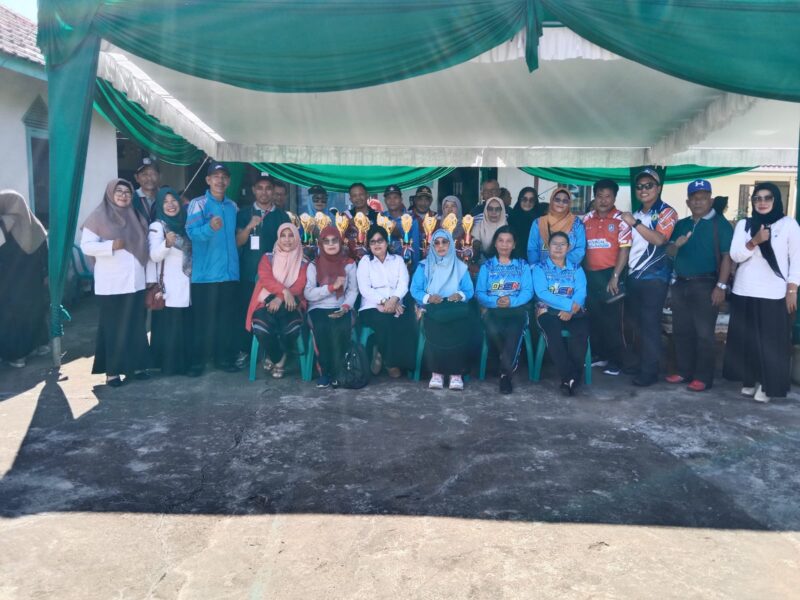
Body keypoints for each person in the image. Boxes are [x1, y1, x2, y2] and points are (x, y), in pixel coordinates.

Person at [723, 183, 800, 403]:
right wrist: (755, 241)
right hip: (744, 290)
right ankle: (749, 380)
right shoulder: (745, 225)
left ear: (776, 200)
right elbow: (736, 255)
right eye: (757, 198)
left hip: (773, 293)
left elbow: (797, 258)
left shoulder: (788, 224)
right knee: (747, 340)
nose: (762, 202)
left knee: (770, 343)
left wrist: (792, 288)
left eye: (767, 198)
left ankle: (768, 386)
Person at [665, 179, 733, 391]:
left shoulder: (720, 224)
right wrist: (676, 245)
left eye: (703, 198)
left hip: (706, 283)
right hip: (680, 283)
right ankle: (684, 371)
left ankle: (703, 377)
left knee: (704, 334)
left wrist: (721, 286)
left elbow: (727, 257)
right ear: (688, 201)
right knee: (681, 330)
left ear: (710, 200)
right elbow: (669, 252)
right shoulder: (681, 224)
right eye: (694, 199)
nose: (698, 202)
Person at [80, 179, 150, 386]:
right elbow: (86, 246)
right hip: (111, 284)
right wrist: (110, 246)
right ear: (110, 193)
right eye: (118, 191)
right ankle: (113, 372)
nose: (123, 195)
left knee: (136, 326)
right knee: (113, 328)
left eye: (127, 192)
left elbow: (145, 245)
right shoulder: (98, 216)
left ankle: (137, 367)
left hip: (135, 282)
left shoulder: (136, 216)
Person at [620, 168, 678, 386]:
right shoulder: (635, 214)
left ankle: (650, 371)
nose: (643, 190)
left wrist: (634, 223)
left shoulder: (666, 212)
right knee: (635, 325)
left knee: (650, 325)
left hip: (655, 278)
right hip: (634, 276)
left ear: (658, 188)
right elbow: (627, 247)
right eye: (639, 187)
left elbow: (660, 239)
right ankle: (639, 364)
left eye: (648, 185)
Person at [186, 161, 241, 374]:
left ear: (229, 181)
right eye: (216, 177)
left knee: (226, 321)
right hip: (205, 275)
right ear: (208, 180)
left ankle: (223, 359)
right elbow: (192, 233)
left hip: (229, 274)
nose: (220, 180)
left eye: (224, 177)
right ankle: (197, 362)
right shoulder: (198, 204)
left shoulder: (232, 206)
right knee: (202, 322)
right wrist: (209, 228)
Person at [235, 173, 290, 366]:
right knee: (246, 313)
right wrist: (250, 226)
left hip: (274, 277)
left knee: (271, 314)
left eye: (268, 188)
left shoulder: (282, 216)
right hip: (249, 273)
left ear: (273, 191)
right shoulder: (243, 214)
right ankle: (245, 351)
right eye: (260, 188)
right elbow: (238, 242)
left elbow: (288, 246)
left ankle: (270, 353)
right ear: (253, 190)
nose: (264, 192)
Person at [411, 229, 474, 390]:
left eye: (444, 242)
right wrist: (428, 297)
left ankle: (456, 374)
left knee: (459, 326)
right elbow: (415, 289)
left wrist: (459, 295)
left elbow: (469, 290)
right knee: (435, 325)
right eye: (436, 243)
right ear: (432, 246)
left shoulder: (460, 267)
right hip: (432, 307)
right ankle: (437, 373)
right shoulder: (424, 266)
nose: (441, 246)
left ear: (451, 244)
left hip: (454, 309)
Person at [582, 179, 631, 376]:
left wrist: (615, 276)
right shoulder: (585, 219)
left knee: (613, 321)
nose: (603, 200)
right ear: (594, 197)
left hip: (611, 275)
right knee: (595, 318)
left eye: (608, 196)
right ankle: (600, 355)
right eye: (599, 196)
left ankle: (616, 361)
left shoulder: (621, 220)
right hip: (590, 276)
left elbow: (624, 250)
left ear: (614, 198)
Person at [475, 226, 534, 394]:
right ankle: (499, 363)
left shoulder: (522, 265)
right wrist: (495, 301)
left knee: (514, 329)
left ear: (514, 245)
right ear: (495, 243)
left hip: (516, 309)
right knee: (494, 328)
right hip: (493, 309)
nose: (504, 244)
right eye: (500, 240)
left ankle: (504, 375)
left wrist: (511, 301)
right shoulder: (487, 266)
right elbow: (479, 293)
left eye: (509, 241)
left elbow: (528, 291)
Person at [246, 223, 308, 378]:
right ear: (278, 238)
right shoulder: (268, 258)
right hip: (265, 301)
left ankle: (274, 358)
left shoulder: (303, 262)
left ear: (297, 237)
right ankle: (279, 358)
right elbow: (265, 278)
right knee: (261, 329)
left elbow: (300, 285)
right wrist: (284, 291)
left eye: (291, 235)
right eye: (283, 235)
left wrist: (280, 299)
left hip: (291, 304)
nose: (287, 239)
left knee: (291, 330)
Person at [532, 231, 588, 396]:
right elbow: (542, 293)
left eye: (562, 244)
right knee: (553, 334)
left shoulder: (576, 268)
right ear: (548, 247)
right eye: (554, 244)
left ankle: (573, 377)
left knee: (581, 333)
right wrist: (568, 305)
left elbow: (581, 292)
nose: (558, 247)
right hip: (548, 312)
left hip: (574, 311)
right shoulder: (540, 268)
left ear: (568, 247)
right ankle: (567, 377)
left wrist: (571, 309)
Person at [356, 224, 415, 378]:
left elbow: (403, 283)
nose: (377, 244)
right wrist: (384, 302)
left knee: (407, 320)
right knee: (385, 321)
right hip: (371, 306)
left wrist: (394, 300)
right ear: (368, 245)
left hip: (396, 303)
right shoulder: (365, 262)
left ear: (386, 242)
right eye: (372, 241)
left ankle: (399, 360)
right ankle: (390, 363)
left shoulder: (397, 260)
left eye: (380, 240)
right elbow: (364, 289)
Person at [148, 186, 194, 376]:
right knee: (171, 326)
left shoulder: (185, 223)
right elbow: (153, 255)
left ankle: (184, 365)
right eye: (165, 202)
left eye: (173, 200)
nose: (171, 205)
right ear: (160, 205)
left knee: (184, 325)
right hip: (170, 286)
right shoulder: (157, 226)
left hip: (187, 283)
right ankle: (169, 366)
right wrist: (166, 244)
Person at [304, 225, 358, 388]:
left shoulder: (349, 264)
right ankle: (324, 372)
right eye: (326, 241)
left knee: (339, 327)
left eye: (334, 240)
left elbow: (353, 290)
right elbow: (308, 293)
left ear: (340, 242)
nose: (331, 244)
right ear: (320, 244)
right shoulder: (314, 265)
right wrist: (331, 288)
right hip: (318, 307)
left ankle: (338, 372)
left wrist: (346, 306)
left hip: (341, 306)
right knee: (322, 326)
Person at [0, 190, 49, 368]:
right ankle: (40, 346)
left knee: (11, 318)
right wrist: (45, 275)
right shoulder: (34, 224)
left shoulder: (3, 225)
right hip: (33, 280)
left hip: (8, 283)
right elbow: (44, 252)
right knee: (35, 311)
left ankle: (17, 356)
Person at [527, 187, 586, 266]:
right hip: (542, 269)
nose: (561, 203)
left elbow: (580, 249)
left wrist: (561, 264)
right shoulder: (539, 222)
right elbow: (532, 249)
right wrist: (537, 267)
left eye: (565, 201)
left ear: (569, 203)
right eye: (557, 200)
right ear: (551, 201)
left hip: (568, 270)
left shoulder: (577, 223)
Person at [382, 184, 421, 272]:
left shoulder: (411, 219)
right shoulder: (381, 218)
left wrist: (414, 271)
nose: (392, 201)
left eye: (395, 197)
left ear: (401, 199)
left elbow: (415, 247)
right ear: (385, 201)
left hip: (405, 266)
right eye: (389, 198)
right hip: (385, 267)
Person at [343, 182, 379, 260]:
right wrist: (347, 225)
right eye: (354, 196)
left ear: (367, 195)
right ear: (350, 199)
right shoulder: (345, 216)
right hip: (351, 261)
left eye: (361, 194)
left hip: (374, 259)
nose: (358, 198)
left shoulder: (377, 216)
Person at [508, 186, 545, 260]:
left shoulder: (540, 220)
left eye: (531, 200)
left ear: (535, 202)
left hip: (536, 260)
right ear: (519, 200)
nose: (528, 202)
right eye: (524, 199)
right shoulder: (511, 219)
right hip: (514, 259)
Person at [473, 196, 507, 262]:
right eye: (490, 209)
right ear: (486, 210)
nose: (494, 212)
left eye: (497, 209)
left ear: (502, 211)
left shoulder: (507, 228)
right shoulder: (479, 227)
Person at [132, 157, 160, 223]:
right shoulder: (131, 198)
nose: (149, 178)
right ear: (136, 178)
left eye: (153, 174)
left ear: (159, 176)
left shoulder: (166, 197)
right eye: (144, 174)